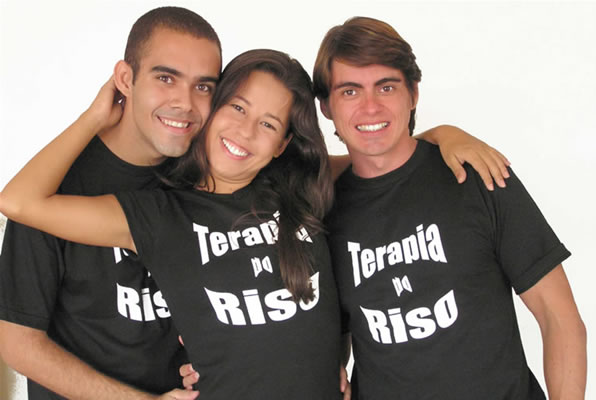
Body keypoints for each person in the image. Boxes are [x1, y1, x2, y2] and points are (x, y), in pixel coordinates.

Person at [314, 16, 587, 399]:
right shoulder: (322, 211)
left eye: (386, 87)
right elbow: (334, 342)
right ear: (326, 107)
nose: (370, 107)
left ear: (413, 93)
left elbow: (558, 317)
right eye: (350, 91)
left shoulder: (477, 175)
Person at [0, 6, 221, 399]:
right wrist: (93, 118)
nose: (185, 103)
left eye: (203, 87)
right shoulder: (51, 186)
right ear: (125, 79)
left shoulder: (212, 178)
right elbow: (17, 343)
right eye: (166, 78)